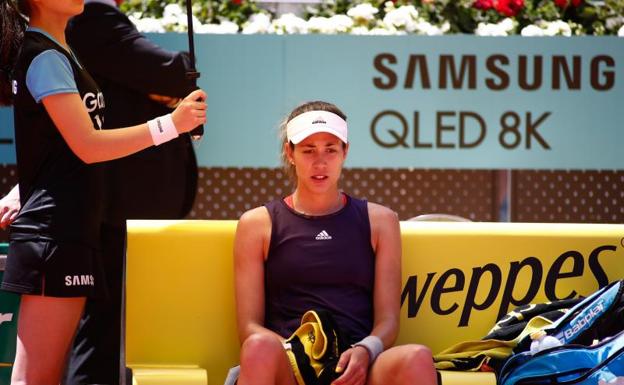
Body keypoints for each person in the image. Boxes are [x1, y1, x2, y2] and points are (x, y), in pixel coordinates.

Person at [0, 1, 206, 384]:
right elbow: (88, 145)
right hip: (53, 231)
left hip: (71, 229)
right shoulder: (45, 55)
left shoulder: (60, 52)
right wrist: (170, 124)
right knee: (33, 379)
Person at [233, 100, 437, 385]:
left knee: (417, 357)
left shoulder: (381, 221)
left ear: (345, 152)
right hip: (289, 362)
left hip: (358, 365)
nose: (320, 162)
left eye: (330, 149)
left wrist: (364, 351)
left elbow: (388, 322)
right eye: (308, 150)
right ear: (289, 153)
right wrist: (299, 358)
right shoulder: (257, 224)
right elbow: (249, 327)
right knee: (257, 347)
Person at [64, 1, 200, 383]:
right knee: (104, 325)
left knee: (112, 325)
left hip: (120, 202)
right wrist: (171, 90)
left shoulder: (94, 19)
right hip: (117, 203)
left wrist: (166, 91)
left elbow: (170, 81)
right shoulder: (92, 14)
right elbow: (180, 73)